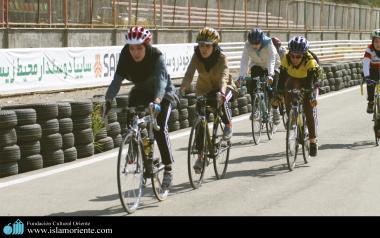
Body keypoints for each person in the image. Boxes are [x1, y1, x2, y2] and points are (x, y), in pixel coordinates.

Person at [104, 26, 177, 190]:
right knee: (132, 115)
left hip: (163, 93)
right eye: (132, 48)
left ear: (147, 46)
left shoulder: (156, 56)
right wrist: (108, 100)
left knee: (159, 129)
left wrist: (157, 101)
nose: (135, 52)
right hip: (142, 91)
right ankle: (135, 147)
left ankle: (168, 169)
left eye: (139, 48)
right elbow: (116, 81)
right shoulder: (125, 56)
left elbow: (161, 82)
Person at [179, 27, 237, 173]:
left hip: (224, 87)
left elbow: (224, 76)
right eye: (201, 45)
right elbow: (189, 75)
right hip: (204, 90)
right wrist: (182, 89)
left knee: (222, 101)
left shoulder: (222, 57)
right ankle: (201, 157)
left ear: (214, 46)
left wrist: (222, 92)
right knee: (200, 123)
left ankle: (228, 125)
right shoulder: (196, 56)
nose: (203, 49)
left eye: (207, 46)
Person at [277, 36, 320, 157]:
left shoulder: (310, 61)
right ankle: (293, 119)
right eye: (293, 56)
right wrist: (278, 94)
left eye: (298, 56)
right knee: (287, 91)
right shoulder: (286, 58)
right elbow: (281, 79)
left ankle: (312, 141)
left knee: (308, 110)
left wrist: (310, 96)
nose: (295, 59)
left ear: (304, 55)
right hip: (294, 79)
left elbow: (310, 84)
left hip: (309, 80)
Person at [237, 28, 281, 125]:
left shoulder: (268, 43)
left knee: (272, 90)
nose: (254, 46)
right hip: (257, 65)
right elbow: (244, 61)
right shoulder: (247, 45)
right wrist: (241, 76)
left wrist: (270, 75)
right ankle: (255, 109)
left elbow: (271, 59)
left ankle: (275, 110)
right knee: (253, 84)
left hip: (273, 66)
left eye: (257, 43)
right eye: (252, 43)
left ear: (261, 40)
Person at [363, 28, 380, 137]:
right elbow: (365, 64)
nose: (378, 44)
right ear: (372, 41)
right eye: (376, 41)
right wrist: (366, 76)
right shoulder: (369, 49)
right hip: (371, 69)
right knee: (370, 82)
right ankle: (370, 102)